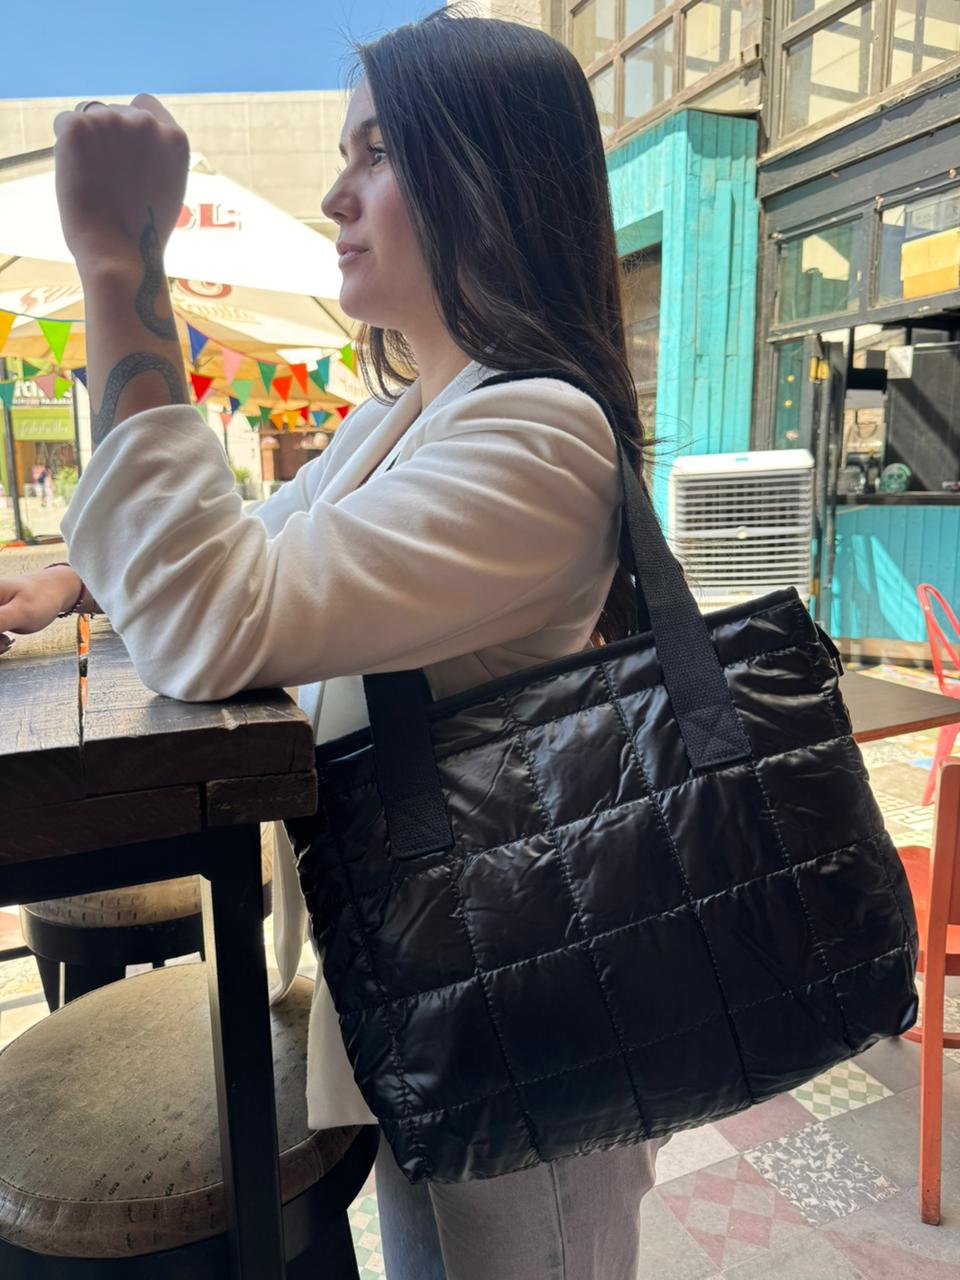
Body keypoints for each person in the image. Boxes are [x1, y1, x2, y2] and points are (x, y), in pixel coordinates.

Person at [0, 6, 666, 1275]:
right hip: (428, 976)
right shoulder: (399, 420)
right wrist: (71, 582)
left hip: (532, 1014)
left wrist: (122, 266)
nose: (334, 194)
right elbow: (249, 548)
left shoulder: (543, 438)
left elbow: (210, 613)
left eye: (377, 153)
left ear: (488, 176)